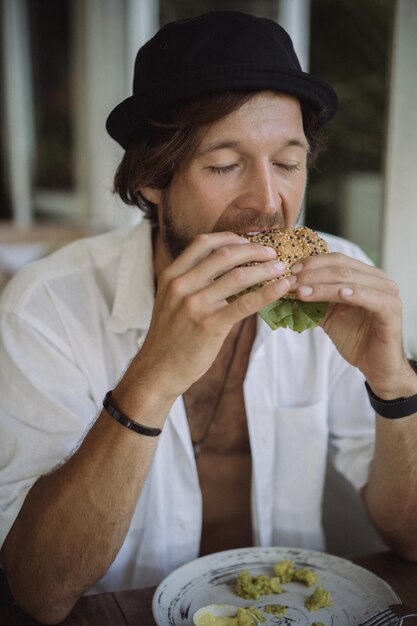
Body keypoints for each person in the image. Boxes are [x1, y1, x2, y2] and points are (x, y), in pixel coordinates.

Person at [1, 10, 417, 625]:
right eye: (224, 165)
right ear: (150, 179)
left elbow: (411, 540)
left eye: (288, 161)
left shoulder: (340, 277)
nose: (269, 202)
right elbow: (39, 590)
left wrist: (396, 387)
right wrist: (152, 380)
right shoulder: (47, 308)